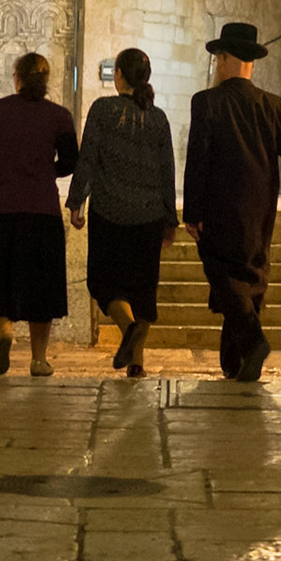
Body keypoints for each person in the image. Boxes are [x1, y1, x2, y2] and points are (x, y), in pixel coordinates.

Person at [183, 21, 281, 382]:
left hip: (219, 209)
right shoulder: (273, 105)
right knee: (250, 279)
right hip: (260, 210)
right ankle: (235, 364)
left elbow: (198, 157)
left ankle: (253, 343)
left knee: (224, 276)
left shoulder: (206, 102)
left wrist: (192, 211)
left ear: (223, 59)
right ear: (251, 62)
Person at [67, 48, 177, 379]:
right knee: (143, 289)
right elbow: (167, 171)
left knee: (105, 284)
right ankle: (137, 363)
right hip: (148, 217)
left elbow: (87, 158)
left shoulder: (102, 110)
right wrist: (170, 219)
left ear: (118, 75)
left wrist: (76, 202)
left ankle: (128, 329)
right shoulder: (157, 119)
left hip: (109, 212)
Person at [0, 52, 78, 377]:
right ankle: (39, 359)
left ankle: (3, 331)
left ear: (16, 78)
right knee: (41, 286)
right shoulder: (59, 116)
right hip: (42, 210)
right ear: (46, 81)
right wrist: (45, 170)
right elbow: (72, 160)